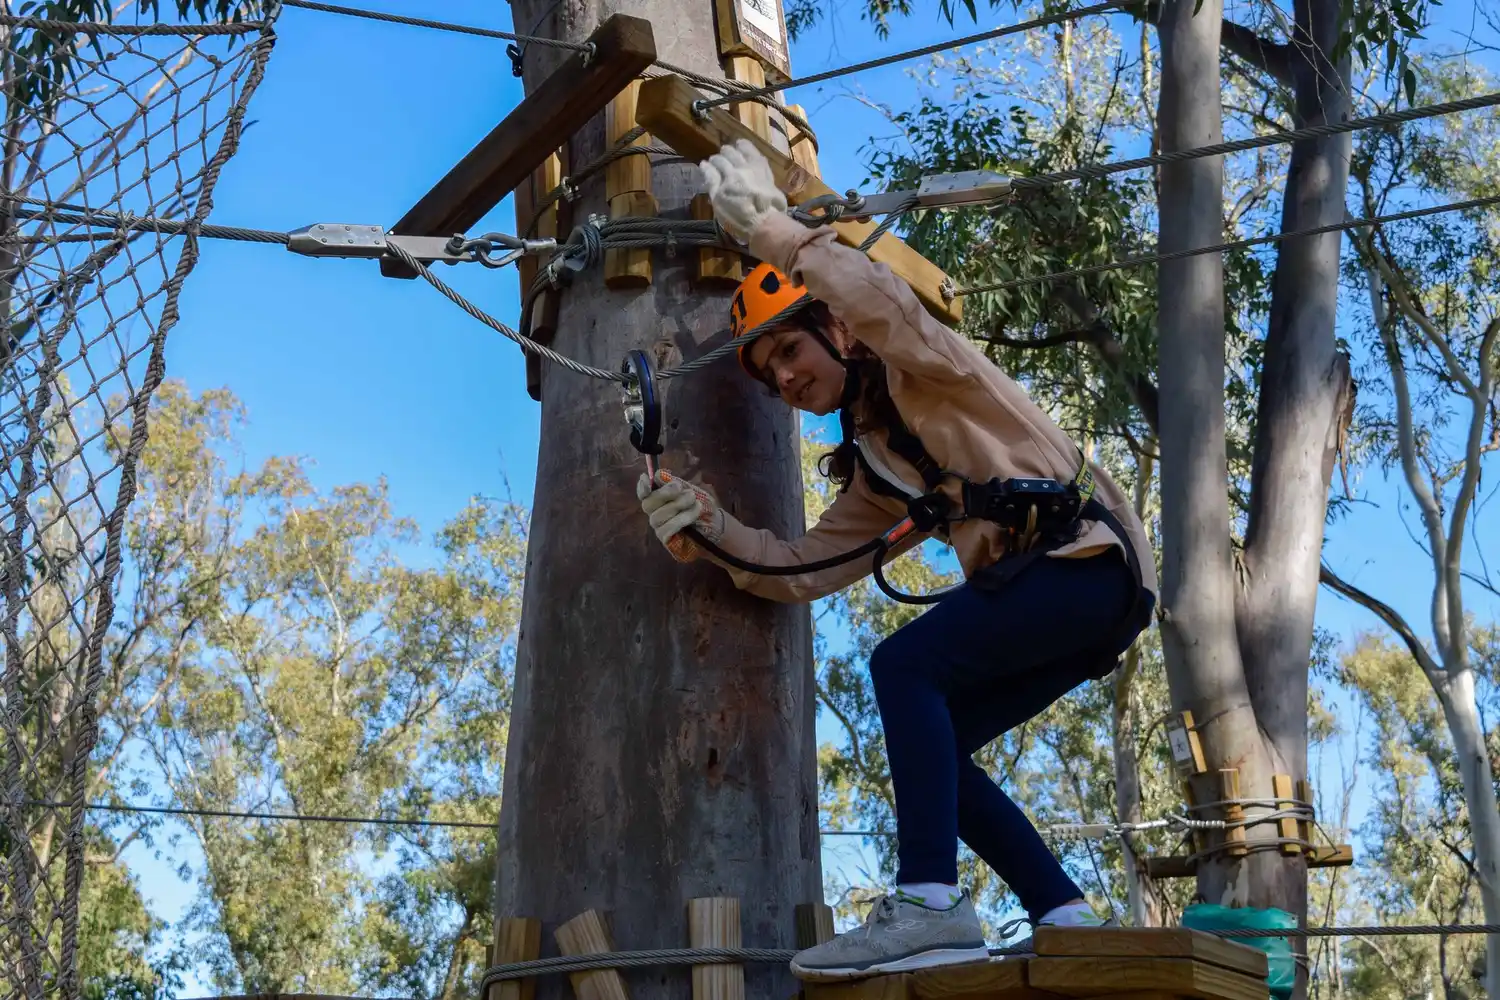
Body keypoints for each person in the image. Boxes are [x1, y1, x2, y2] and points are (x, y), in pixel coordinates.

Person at [636, 140, 1158, 982]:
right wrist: (708, 525)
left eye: (792, 352)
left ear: (835, 331)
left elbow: (884, 304)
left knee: (902, 667)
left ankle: (929, 902)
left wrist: (775, 229)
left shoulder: (929, 371)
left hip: (1086, 565)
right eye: (771, 375)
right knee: (938, 743)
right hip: (1080, 598)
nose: (788, 380)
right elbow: (799, 567)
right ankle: (1063, 911)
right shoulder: (881, 464)